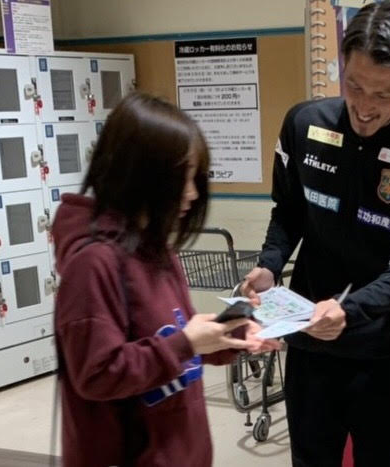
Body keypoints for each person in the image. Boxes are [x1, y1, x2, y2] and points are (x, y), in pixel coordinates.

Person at [242, 0, 390, 467]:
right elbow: (289, 212)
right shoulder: (304, 124)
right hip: (307, 344)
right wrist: (269, 265)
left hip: (378, 354)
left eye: (383, 95)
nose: (363, 107)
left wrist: (348, 310)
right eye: (354, 86)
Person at [53, 93, 276, 467]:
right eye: (182, 178)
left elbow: (177, 337)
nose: (192, 193)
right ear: (140, 175)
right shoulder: (93, 265)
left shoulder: (158, 252)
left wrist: (235, 335)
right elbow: (98, 373)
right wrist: (185, 343)